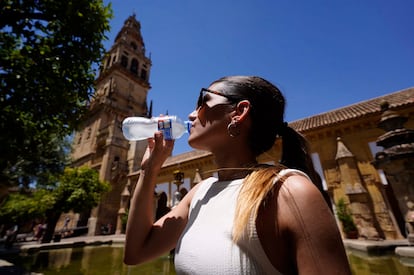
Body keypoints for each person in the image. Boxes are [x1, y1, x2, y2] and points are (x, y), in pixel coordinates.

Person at [124, 76, 351, 274]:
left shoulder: (289, 192)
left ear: (239, 112)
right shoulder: (199, 193)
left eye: (203, 102)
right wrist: (149, 171)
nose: (191, 114)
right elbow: (136, 253)